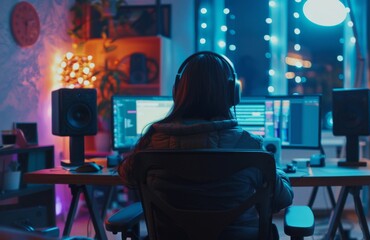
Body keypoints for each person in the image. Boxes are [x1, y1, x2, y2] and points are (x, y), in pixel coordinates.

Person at [118, 51, 293, 239]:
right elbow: (282, 199)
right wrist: (276, 169)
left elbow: (128, 177)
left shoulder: (151, 142)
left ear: (177, 91)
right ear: (233, 94)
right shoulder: (249, 145)